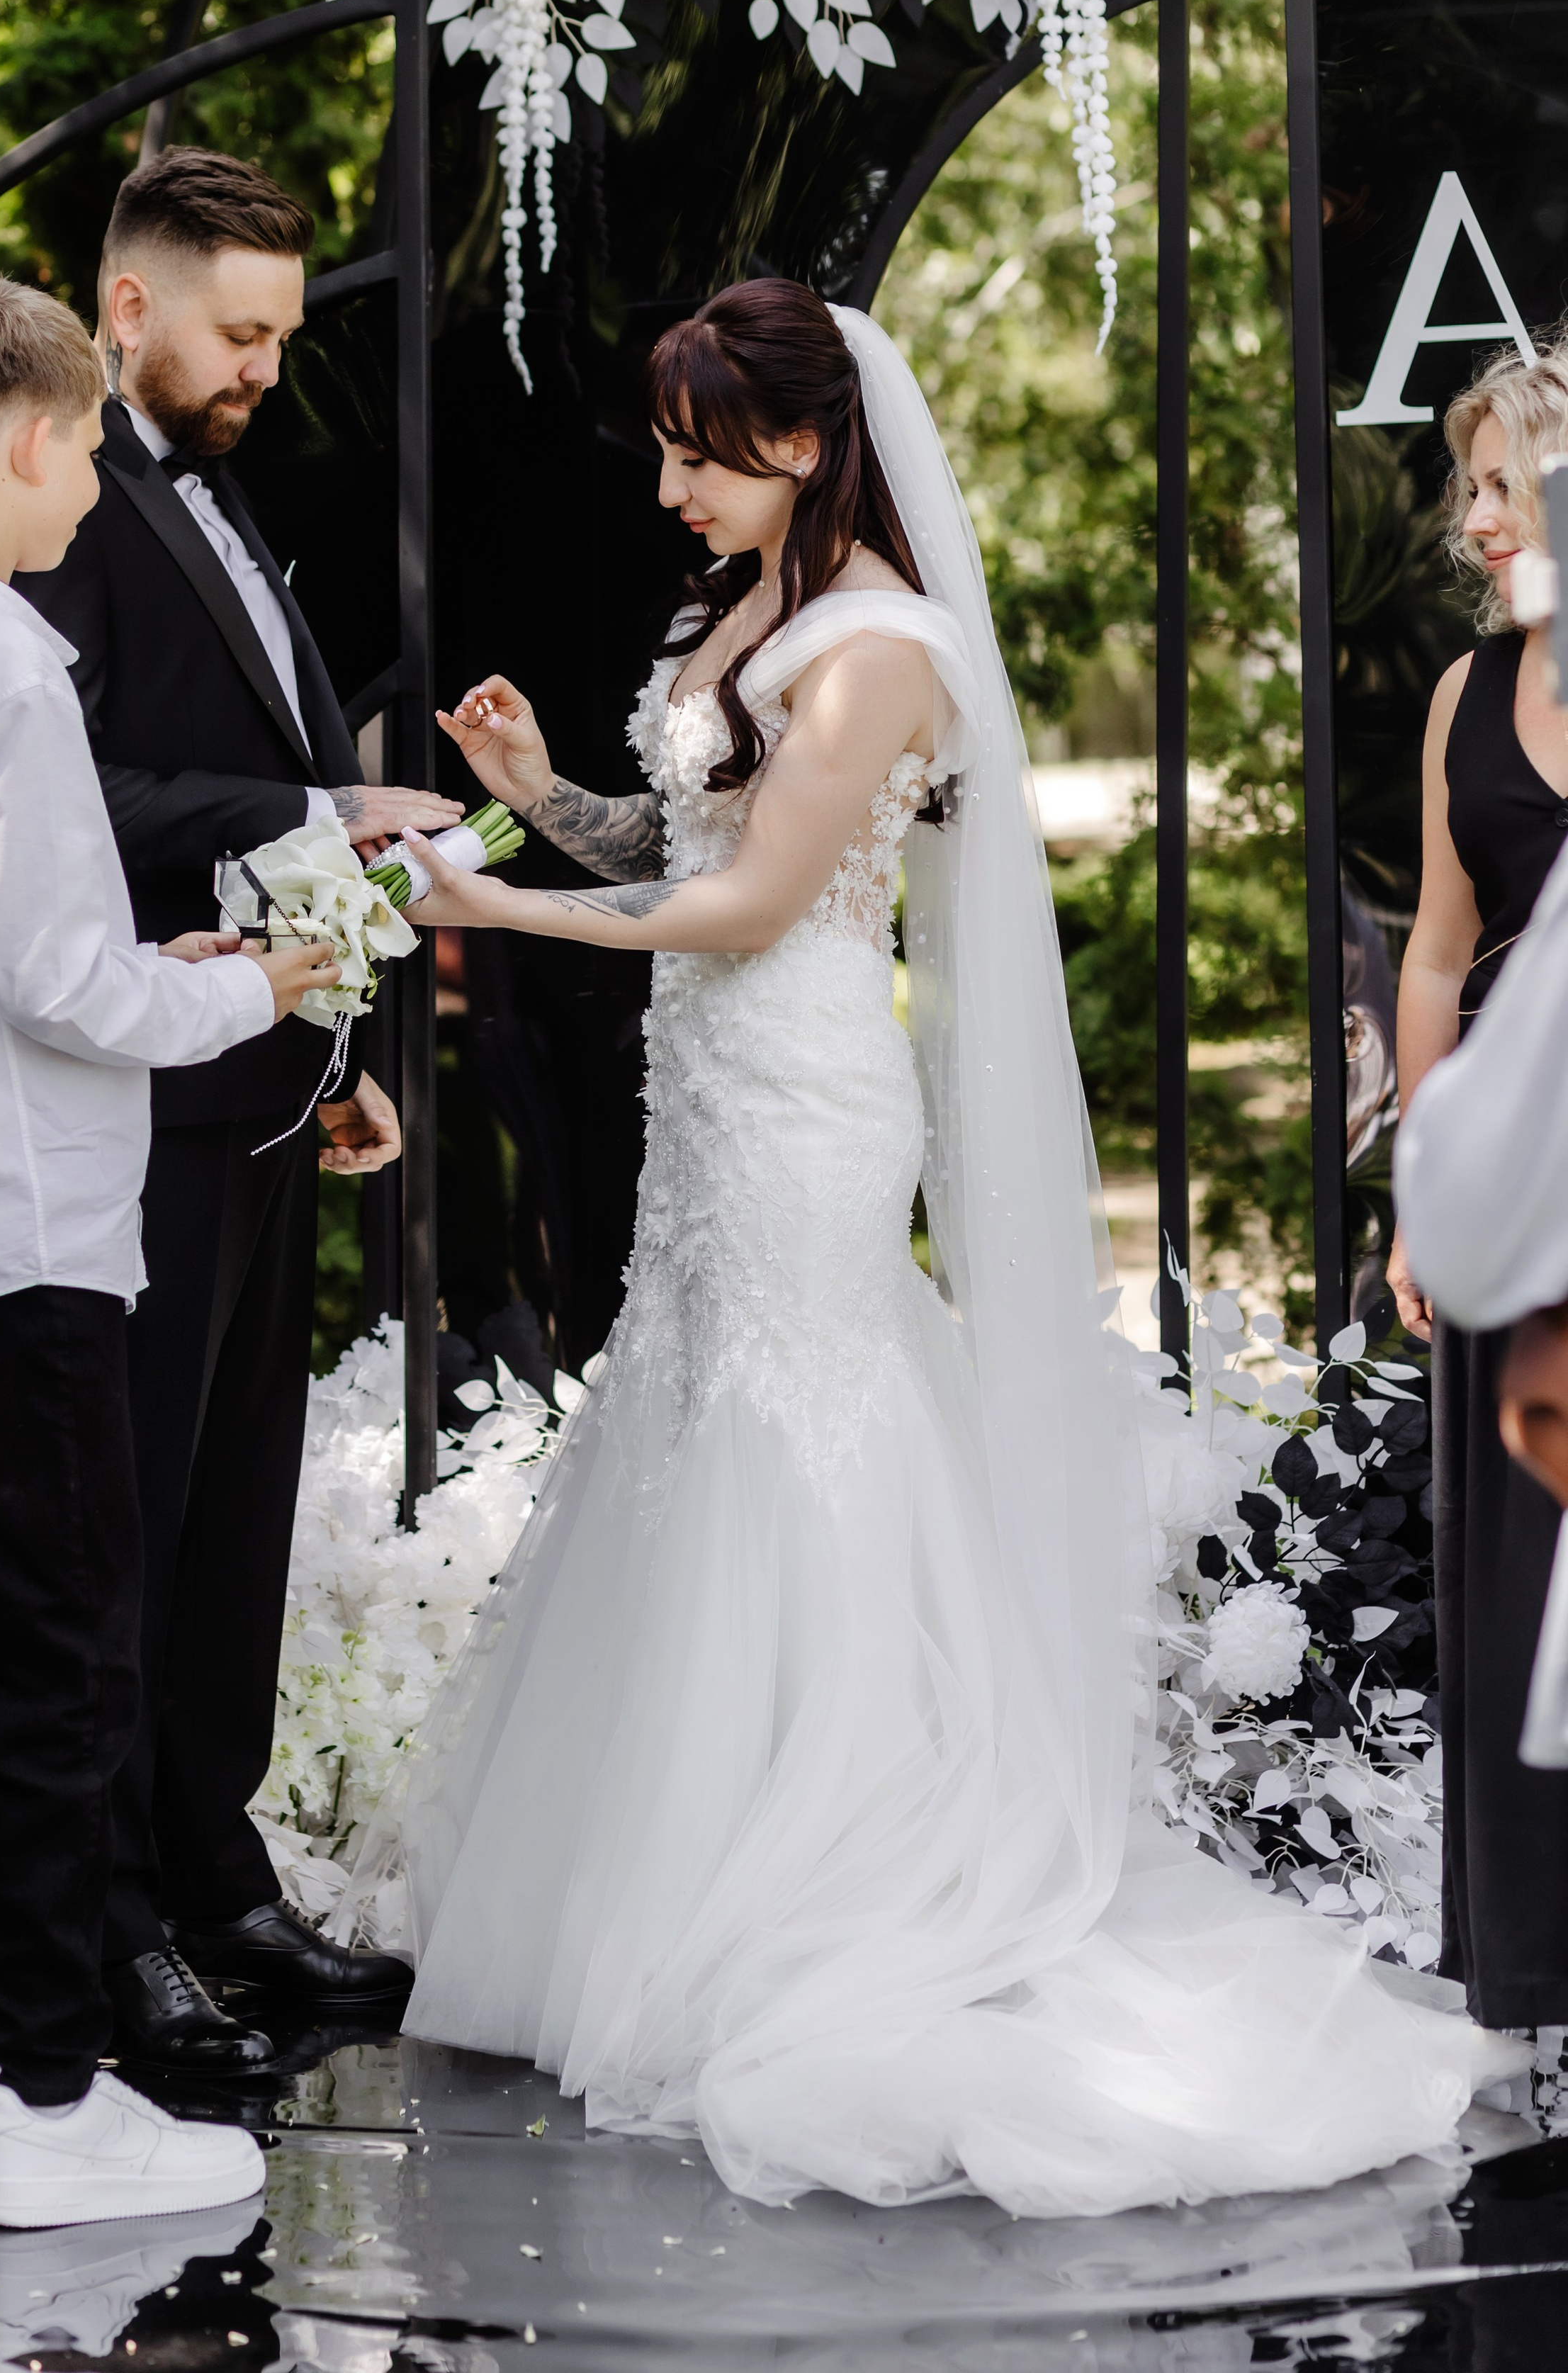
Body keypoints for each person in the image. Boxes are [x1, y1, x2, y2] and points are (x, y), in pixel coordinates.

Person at [348, 281, 1516, 2219]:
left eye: (691, 448)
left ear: (800, 443)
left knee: (807, 1441)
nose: (664, 488)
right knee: (696, 1434)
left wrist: (489, 904)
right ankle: (676, 1876)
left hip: (801, 1099)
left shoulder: (882, 644)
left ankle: (844, 1871)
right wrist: (539, 794)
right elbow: (676, 833)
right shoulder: (752, 616)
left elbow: (751, 904)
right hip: (711, 1108)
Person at [0, 269, 335, 2222]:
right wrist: (252, 989)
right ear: (28, 437)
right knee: (52, 1681)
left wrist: (140, 967)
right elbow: (50, 985)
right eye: (91, 444)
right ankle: (44, 2101)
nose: (97, 483)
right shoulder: (7, 663)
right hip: (18, 1256)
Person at [20, 150, 451, 2068]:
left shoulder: (229, 494)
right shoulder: (52, 508)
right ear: (131, 310)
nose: (269, 366)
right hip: (131, 1105)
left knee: (234, 1521)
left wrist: (344, 1056)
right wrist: (310, 815)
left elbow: (283, 781)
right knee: (132, 1515)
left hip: (266, 1092)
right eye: (241, 330)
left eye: (280, 333)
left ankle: (217, 1877)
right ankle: (116, 1925)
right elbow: (70, 805)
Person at [1381, 342, 1568, 2033]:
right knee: (1517, 1584)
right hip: (1518, 1171)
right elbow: (1435, 957)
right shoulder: (1464, 694)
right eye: (1470, 488)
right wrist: (1421, 1189)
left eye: (1505, 484)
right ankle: (1531, 1969)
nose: (1475, 522)